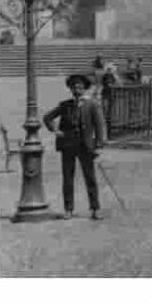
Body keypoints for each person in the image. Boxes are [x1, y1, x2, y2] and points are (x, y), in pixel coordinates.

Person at [43, 74, 107, 220]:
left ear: (84, 89)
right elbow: (47, 117)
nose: (77, 89)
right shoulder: (65, 105)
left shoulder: (92, 104)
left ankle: (95, 208)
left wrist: (98, 146)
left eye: (80, 87)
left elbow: (99, 126)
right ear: (70, 89)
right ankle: (68, 209)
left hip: (86, 147)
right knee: (67, 179)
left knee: (90, 178)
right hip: (67, 146)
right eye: (74, 87)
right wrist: (55, 130)